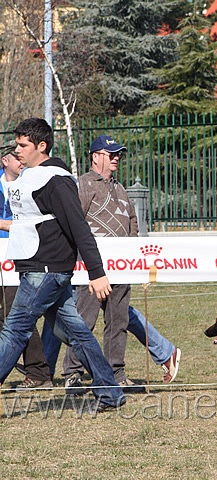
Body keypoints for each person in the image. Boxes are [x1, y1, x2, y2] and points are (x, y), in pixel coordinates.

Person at [0, 118, 124, 412]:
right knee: (76, 332)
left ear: (41, 146)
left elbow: (79, 227)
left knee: (15, 329)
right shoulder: (31, 176)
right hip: (38, 266)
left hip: (45, 269)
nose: (17, 149)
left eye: (23, 144)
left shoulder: (56, 179)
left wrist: (97, 273)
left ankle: (109, 392)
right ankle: (110, 393)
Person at [59, 134, 181, 394]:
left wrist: (134, 258)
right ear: (95, 156)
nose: (116, 158)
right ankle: (73, 373)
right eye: (110, 153)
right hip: (92, 270)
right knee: (83, 321)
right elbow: (74, 223)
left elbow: (132, 225)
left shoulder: (121, 188)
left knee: (118, 322)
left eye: (118, 154)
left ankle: (116, 372)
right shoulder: (83, 185)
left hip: (121, 267)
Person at [0, 143, 53, 390]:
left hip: (19, 255)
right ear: (4, 161)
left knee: (17, 314)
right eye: (15, 155)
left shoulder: (30, 182)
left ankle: (38, 371)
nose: (21, 159)